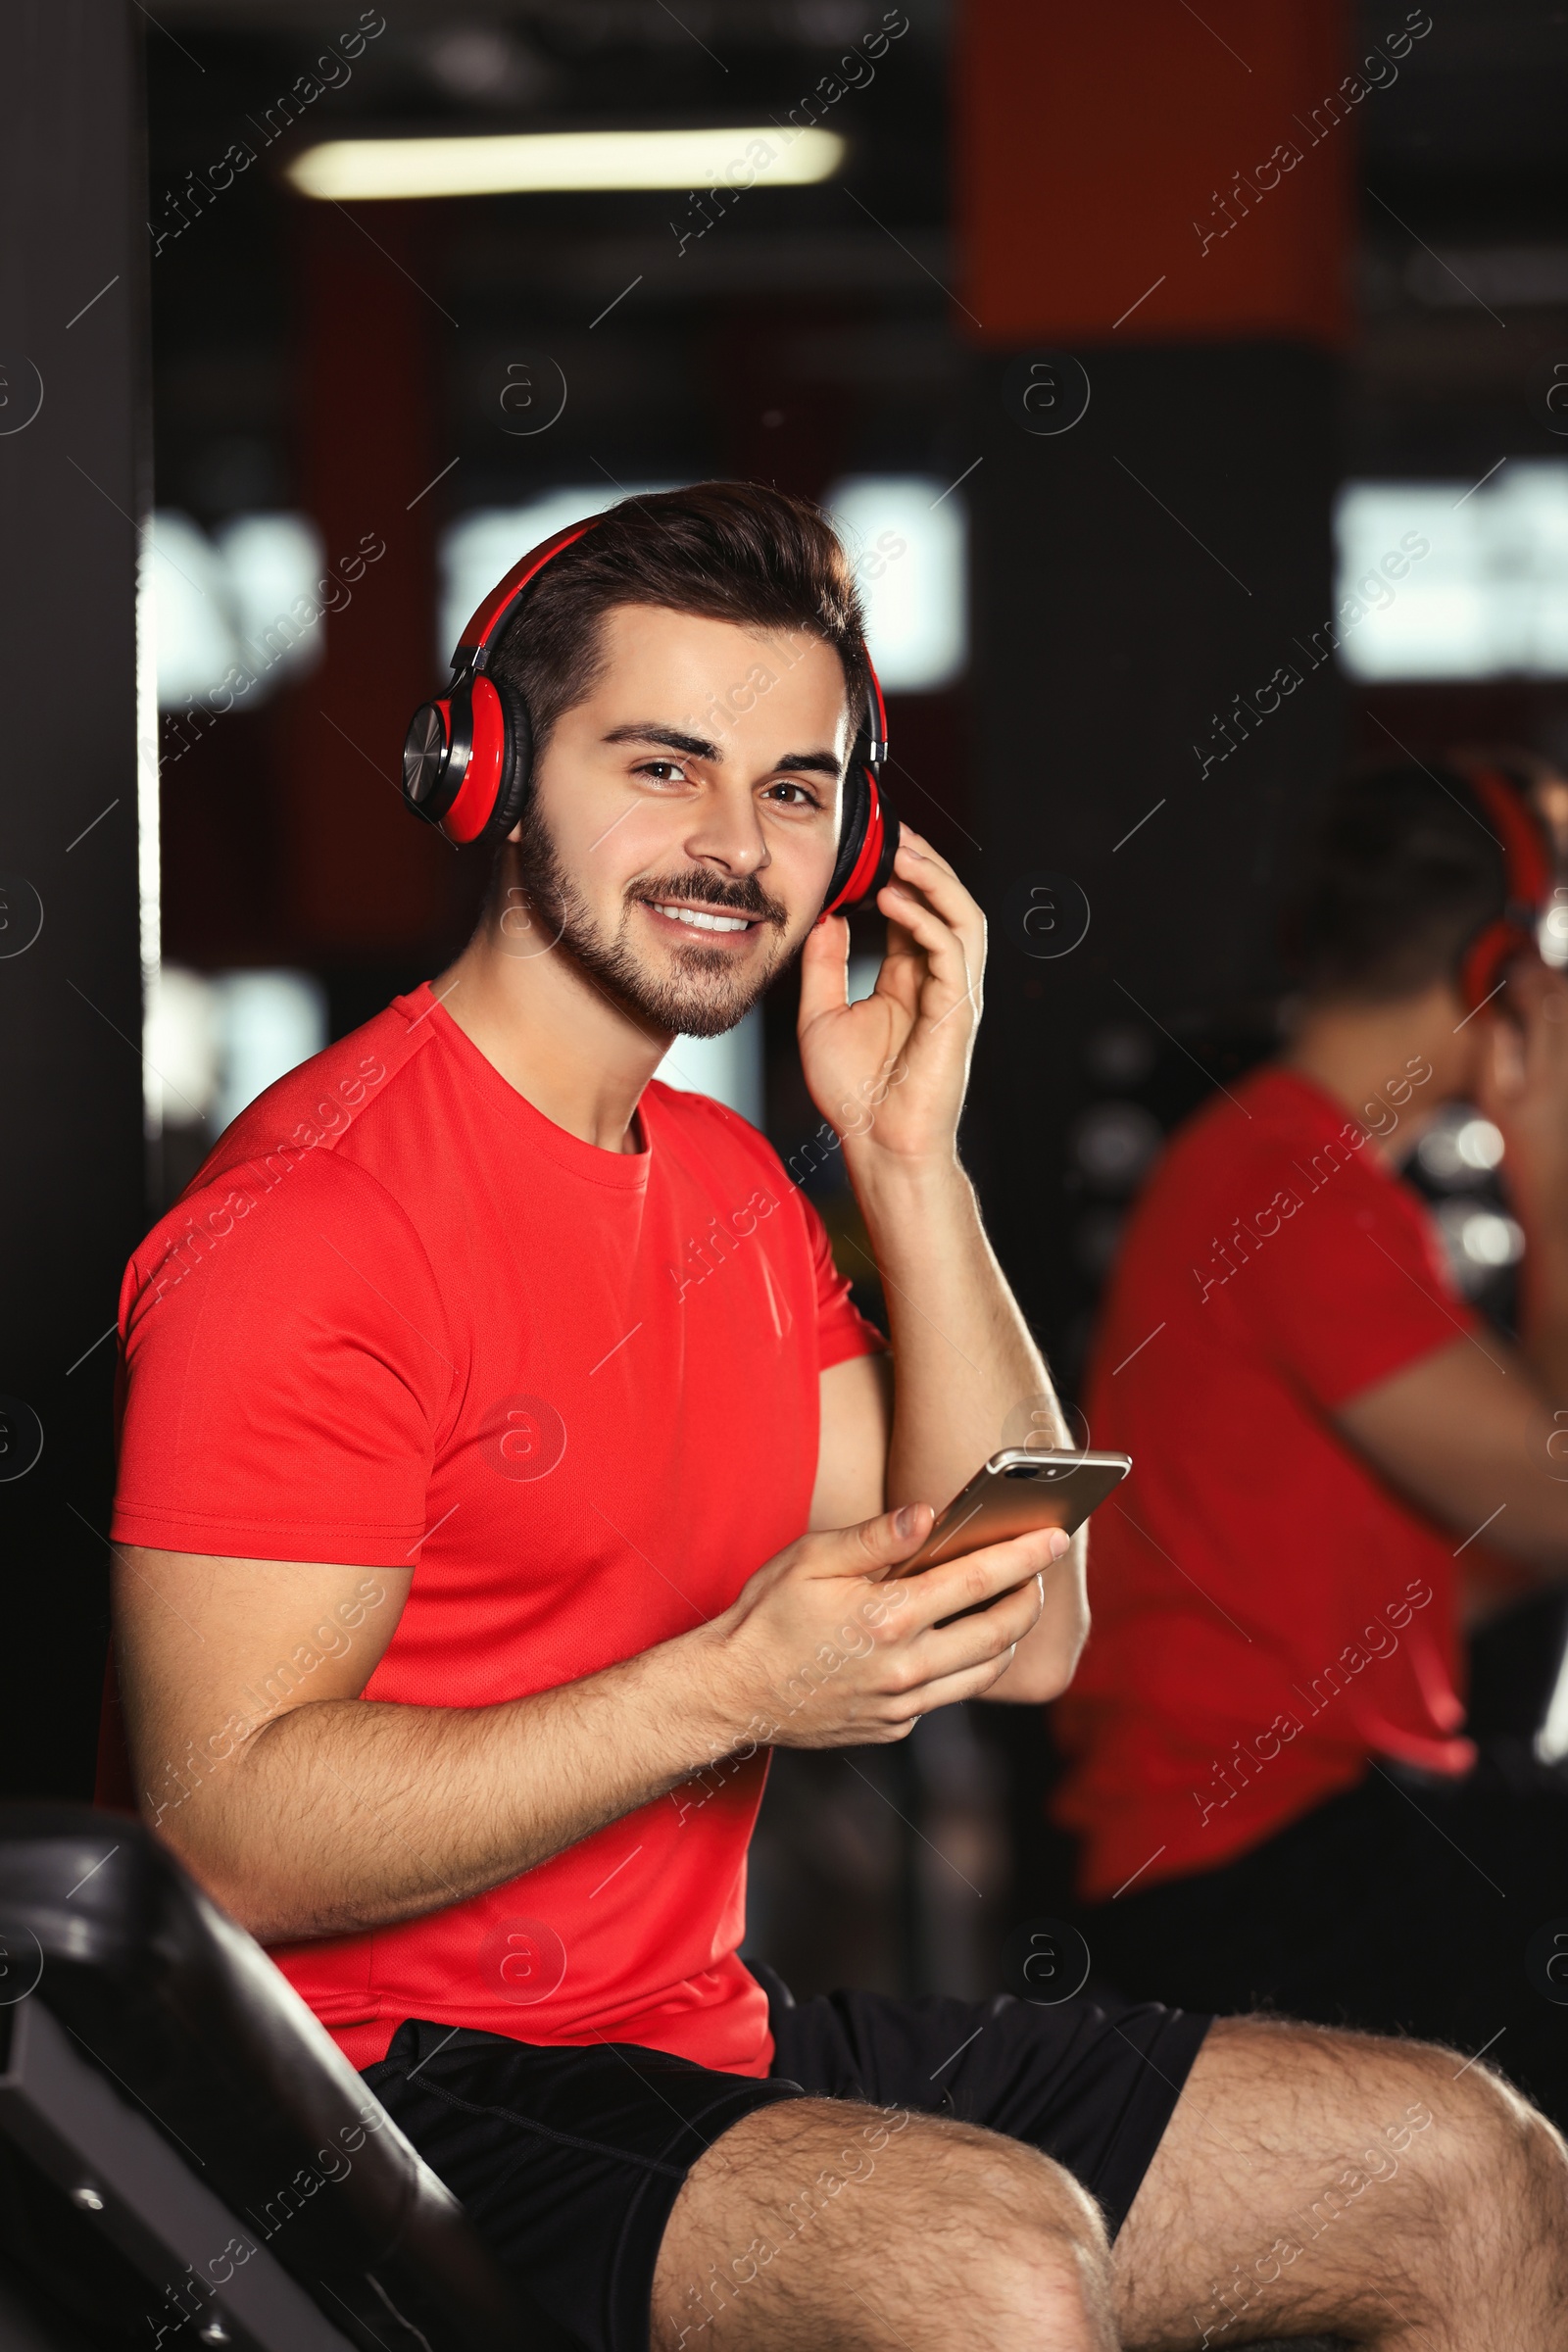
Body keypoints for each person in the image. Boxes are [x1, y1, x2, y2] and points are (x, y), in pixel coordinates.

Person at [107, 498, 1568, 2352]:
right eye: (665, 766)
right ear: (491, 774)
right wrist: (725, 1689)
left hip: (691, 2032)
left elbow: (1030, 1628)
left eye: (799, 791)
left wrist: (911, 1156)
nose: (737, 844)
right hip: (369, 2085)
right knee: (990, 2260)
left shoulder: (727, 1185)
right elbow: (223, 1831)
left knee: (1468, 2168)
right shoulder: (314, 1226)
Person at [1056, 754, 1568, 2141]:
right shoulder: (1287, 1183)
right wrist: (1558, 1157)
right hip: (1249, 1867)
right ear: (1497, 969)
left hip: (1317, 1824)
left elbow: (1458, 1574)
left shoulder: (1305, 1176)